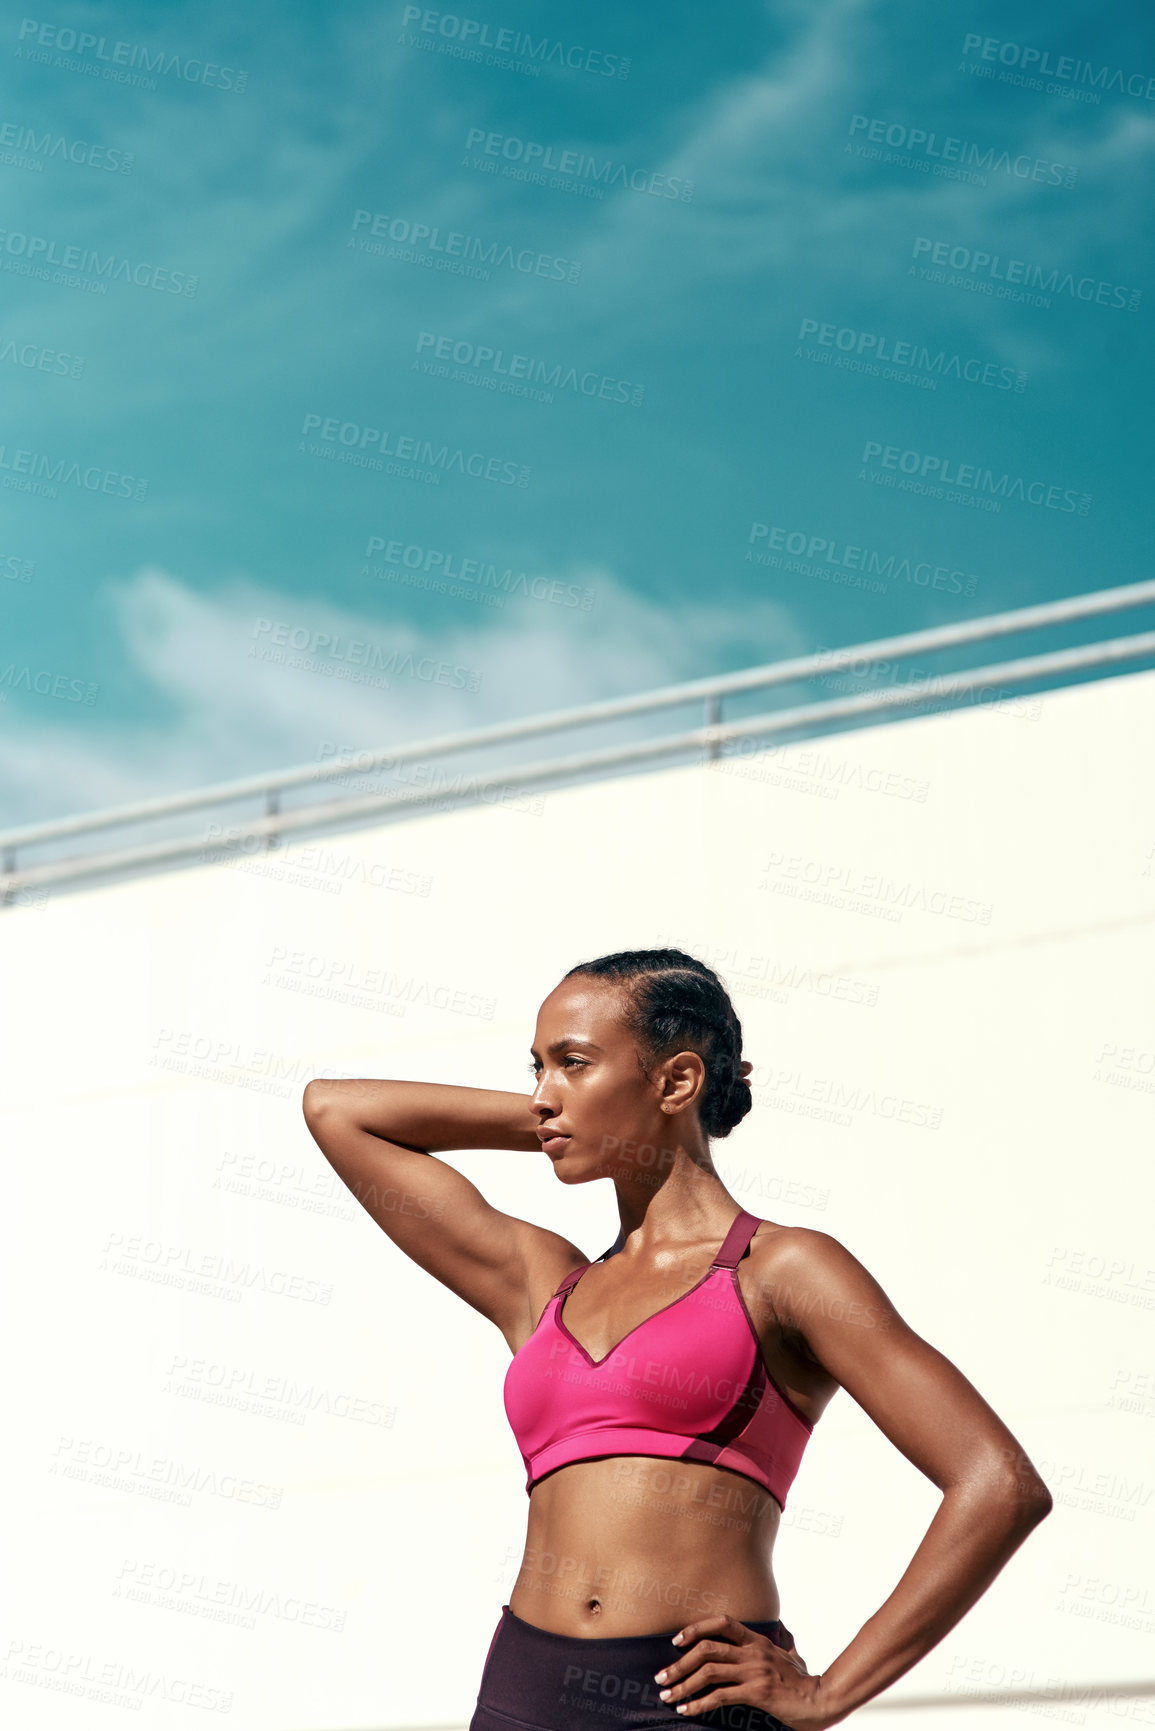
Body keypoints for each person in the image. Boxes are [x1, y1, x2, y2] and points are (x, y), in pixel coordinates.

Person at [302, 948, 1051, 1731]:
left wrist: (828, 1692)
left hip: (688, 1701)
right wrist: (574, 1119)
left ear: (676, 1079)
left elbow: (996, 1482)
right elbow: (336, 1110)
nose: (541, 1094)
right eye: (536, 1069)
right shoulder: (543, 1282)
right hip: (521, 1693)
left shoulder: (783, 1269)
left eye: (573, 1063)